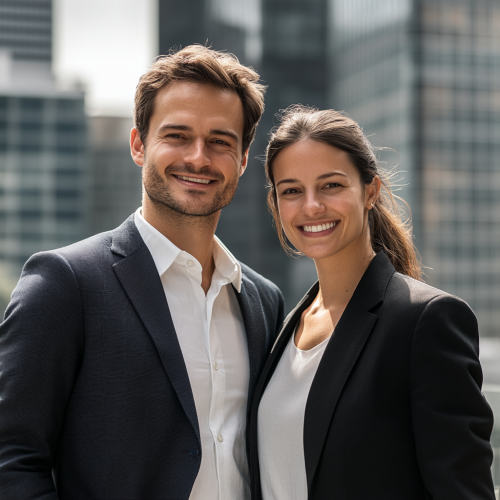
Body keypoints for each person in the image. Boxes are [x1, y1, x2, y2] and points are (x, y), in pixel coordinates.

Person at [0, 45, 284, 500]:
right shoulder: (64, 283)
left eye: (220, 141)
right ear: (139, 145)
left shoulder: (263, 300)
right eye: (176, 135)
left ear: (243, 159)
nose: (198, 157)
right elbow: (10, 457)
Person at [248, 106, 495, 500]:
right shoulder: (284, 326)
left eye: (331, 185)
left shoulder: (424, 321)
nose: (311, 206)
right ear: (276, 205)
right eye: (292, 190)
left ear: (371, 192)